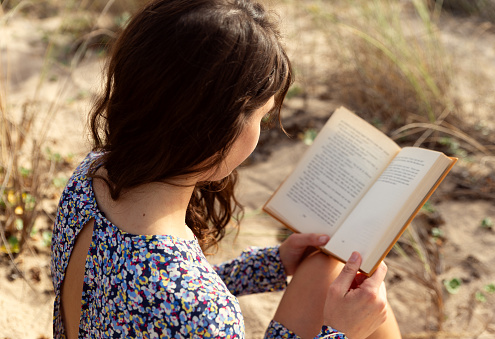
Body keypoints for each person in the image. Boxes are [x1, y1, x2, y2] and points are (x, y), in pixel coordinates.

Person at [50, 0, 402, 338]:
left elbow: (141, 301)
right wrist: (340, 333)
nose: (259, 133)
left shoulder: (91, 177)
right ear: (216, 127)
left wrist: (268, 266)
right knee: (357, 302)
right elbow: (172, 305)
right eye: (261, 117)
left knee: (326, 265)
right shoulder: (203, 313)